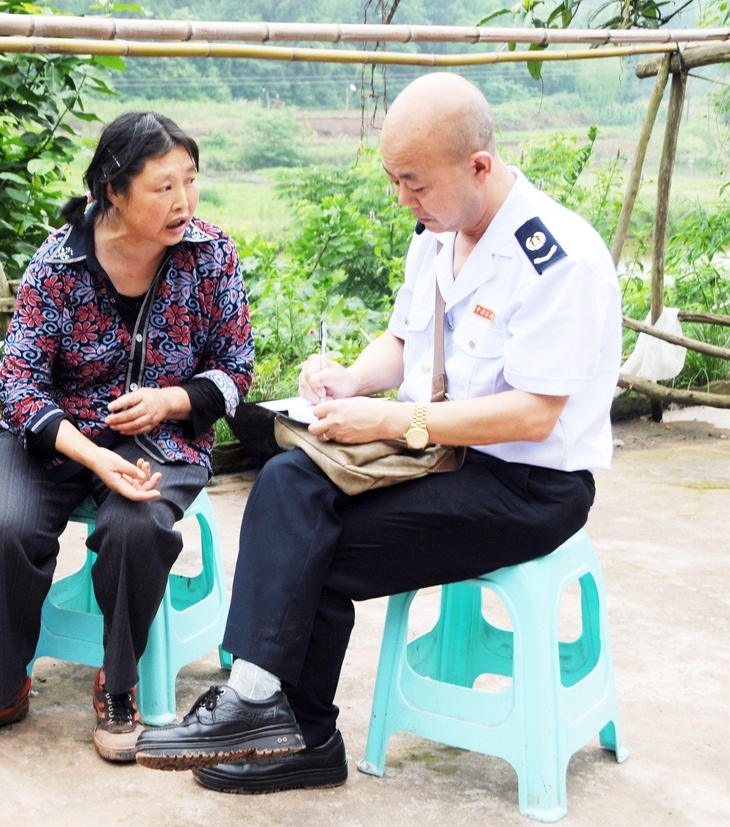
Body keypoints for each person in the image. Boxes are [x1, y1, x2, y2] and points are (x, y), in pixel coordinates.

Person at [133, 73, 622, 793]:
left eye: (414, 183)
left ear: (478, 166)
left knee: (312, 550)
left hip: (524, 485)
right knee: (289, 479)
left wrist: (396, 418)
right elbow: (402, 340)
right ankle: (259, 704)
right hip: (436, 457)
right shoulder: (436, 233)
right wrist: (350, 380)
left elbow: (532, 415)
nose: (403, 199)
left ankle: (291, 729)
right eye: (395, 180)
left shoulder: (557, 259)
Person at [0, 111, 254, 763]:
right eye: (163, 187)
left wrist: (172, 397)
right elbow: (18, 384)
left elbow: (236, 366)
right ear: (113, 191)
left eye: (190, 181)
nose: (182, 201)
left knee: (134, 527)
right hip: (56, 437)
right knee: (5, 528)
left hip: (160, 436)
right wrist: (92, 454)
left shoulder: (209, 252)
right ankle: (0, 687)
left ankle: (120, 684)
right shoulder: (59, 261)